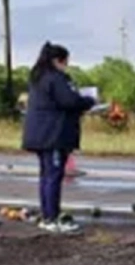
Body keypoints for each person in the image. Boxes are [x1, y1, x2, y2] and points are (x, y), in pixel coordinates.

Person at [21, 42, 96, 233]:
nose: (67, 66)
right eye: (65, 62)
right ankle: (51, 219)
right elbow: (69, 101)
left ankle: (47, 215)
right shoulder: (56, 78)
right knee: (53, 176)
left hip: (39, 134)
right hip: (52, 135)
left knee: (46, 176)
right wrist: (89, 101)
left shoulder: (38, 78)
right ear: (57, 61)